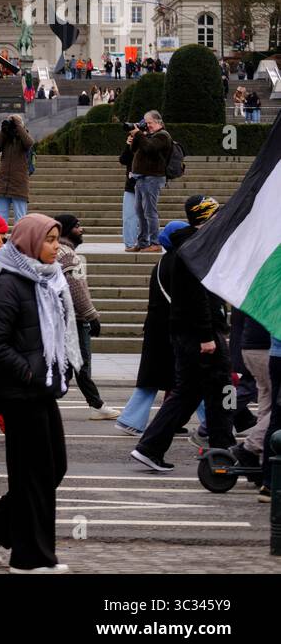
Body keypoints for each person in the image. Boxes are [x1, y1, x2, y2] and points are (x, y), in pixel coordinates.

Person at [0, 214, 78, 573]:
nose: (57, 246)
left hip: (41, 390)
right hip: (19, 392)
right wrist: (29, 372)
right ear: (29, 243)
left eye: (57, 239)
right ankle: (29, 558)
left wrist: (58, 369)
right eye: (50, 240)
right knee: (32, 475)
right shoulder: (10, 283)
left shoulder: (49, 279)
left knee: (53, 468)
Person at [130, 198, 234, 471]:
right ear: (208, 218)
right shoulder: (194, 250)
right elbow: (197, 298)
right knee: (223, 387)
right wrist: (207, 336)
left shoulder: (187, 248)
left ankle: (151, 446)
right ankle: (224, 446)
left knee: (188, 393)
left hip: (194, 334)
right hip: (201, 335)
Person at [115, 221, 189, 436]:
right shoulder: (179, 262)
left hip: (160, 328)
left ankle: (165, 420)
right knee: (176, 378)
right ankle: (131, 419)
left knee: (169, 378)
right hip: (170, 329)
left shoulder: (167, 261)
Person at [54, 214, 120, 420]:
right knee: (81, 364)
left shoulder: (59, 252)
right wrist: (92, 316)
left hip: (62, 317)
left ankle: (95, 404)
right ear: (66, 230)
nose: (81, 230)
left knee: (71, 365)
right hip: (74, 319)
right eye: (77, 226)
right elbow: (77, 289)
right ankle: (96, 405)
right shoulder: (69, 256)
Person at [232, 311, 273, 469]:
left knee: (267, 402)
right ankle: (251, 446)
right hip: (266, 348)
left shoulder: (257, 286)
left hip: (251, 346)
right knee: (276, 406)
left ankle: (262, 456)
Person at [128, 110, 172, 253]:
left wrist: (140, 135)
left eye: (149, 123)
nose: (147, 126)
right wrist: (134, 137)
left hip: (153, 178)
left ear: (158, 122)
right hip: (141, 178)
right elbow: (135, 150)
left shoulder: (163, 136)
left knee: (150, 211)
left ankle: (155, 242)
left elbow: (150, 148)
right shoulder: (149, 135)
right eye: (146, 123)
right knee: (140, 211)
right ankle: (142, 243)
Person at [0, 114, 33, 226]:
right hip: (3, 184)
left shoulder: (24, 137)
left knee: (20, 220)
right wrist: (3, 131)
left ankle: (20, 241)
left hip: (19, 184)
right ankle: (0, 241)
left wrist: (18, 126)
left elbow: (29, 143)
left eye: (15, 123)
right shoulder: (6, 138)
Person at [118, 137, 140, 252]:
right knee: (129, 216)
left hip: (147, 185)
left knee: (146, 217)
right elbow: (123, 160)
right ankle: (130, 244)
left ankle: (146, 242)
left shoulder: (151, 141)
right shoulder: (133, 146)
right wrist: (128, 145)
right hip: (131, 186)